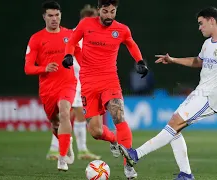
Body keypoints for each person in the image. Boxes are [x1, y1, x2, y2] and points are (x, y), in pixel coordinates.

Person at [119, 7, 217, 180]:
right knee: (175, 128)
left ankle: (136, 154)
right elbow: (197, 61)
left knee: (174, 123)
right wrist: (173, 60)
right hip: (199, 93)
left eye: (201, 23)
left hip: (210, 98)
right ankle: (185, 174)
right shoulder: (208, 44)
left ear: (212, 21)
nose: (199, 27)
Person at [62, 0, 148, 178]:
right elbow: (71, 41)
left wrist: (139, 61)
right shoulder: (86, 24)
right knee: (96, 131)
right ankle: (114, 140)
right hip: (88, 83)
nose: (109, 15)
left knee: (118, 116)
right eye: (106, 11)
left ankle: (129, 165)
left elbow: (131, 44)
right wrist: (68, 55)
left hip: (110, 81)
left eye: (113, 11)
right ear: (99, 10)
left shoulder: (122, 29)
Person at [24, 0, 82, 171]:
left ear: (60, 16)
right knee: (55, 123)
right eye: (50, 15)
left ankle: (62, 158)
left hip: (68, 83)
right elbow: (28, 68)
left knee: (65, 112)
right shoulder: (36, 39)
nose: (54, 19)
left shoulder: (70, 35)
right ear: (44, 17)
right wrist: (44, 68)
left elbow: (83, 56)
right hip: (48, 88)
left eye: (57, 15)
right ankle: (66, 142)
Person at [46, 4, 101, 161]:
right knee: (67, 115)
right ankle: (57, 149)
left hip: (81, 80)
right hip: (72, 80)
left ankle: (74, 149)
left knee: (75, 115)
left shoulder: (90, 34)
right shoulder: (75, 34)